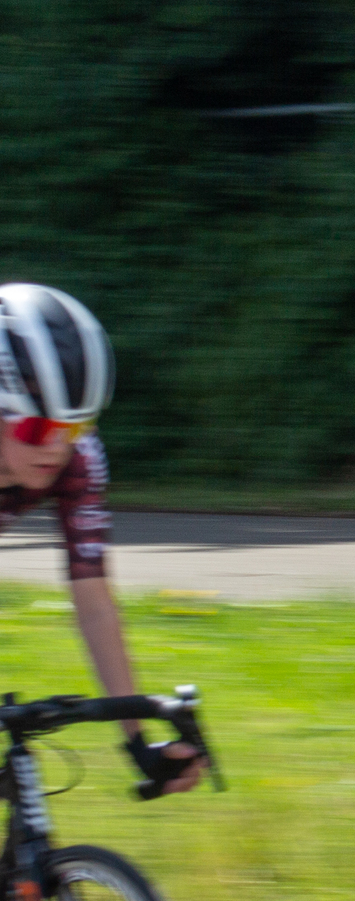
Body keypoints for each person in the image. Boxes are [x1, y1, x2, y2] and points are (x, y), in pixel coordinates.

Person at [0, 284, 204, 796]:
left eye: (72, 428)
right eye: (34, 429)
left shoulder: (78, 459)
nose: (54, 448)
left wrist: (136, 742)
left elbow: (94, 602)